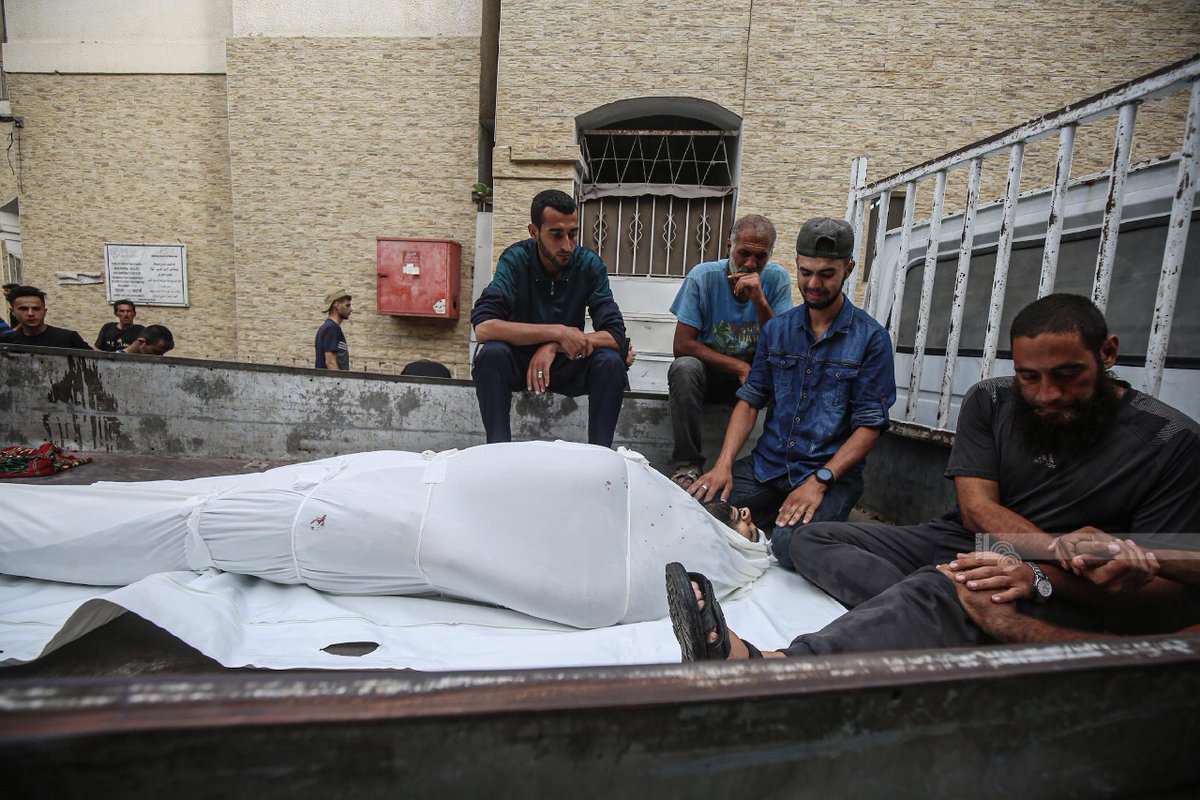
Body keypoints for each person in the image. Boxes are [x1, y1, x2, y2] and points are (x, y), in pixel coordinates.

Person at [668, 294, 1200, 660]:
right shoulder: (991, 400)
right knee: (804, 540)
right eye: (1030, 377)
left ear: (1107, 353)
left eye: (1067, 375)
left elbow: (1161, 588)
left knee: (949, 584)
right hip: (972, 540)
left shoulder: (1170, 441)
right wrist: (1055, 547)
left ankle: (768, 664)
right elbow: (977, 511)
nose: (1047, 395)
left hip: (1062, 578)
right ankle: (926, 607)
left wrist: (1044, 571)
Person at [0, 441, 769, 630]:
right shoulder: (642, 499)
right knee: (196, 513)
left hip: (386, 509)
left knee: (194, 519)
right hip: (397, 489)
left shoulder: (656, 538)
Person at [689, 217, 896, 568]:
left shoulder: (871, 339)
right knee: (695, 513)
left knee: (790, 546)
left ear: (848, 269)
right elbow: (750, 400)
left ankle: (807, 527)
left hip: (828, 476)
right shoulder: (777, 330)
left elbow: (870, 426)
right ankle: (771, 517)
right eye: (806, 272)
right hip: (767, 468)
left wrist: (820, 481)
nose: (813, 284)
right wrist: (722, 465)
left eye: (827, 274)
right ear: (797, 265)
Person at [470, 189, 628, 447]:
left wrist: (555, 345)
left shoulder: (589, 265)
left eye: (573, 234)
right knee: (491, 354)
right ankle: (497, 450)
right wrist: (557, 332)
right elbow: (485, 328)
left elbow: (615, 335)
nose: (567, 245)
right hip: (521, 363)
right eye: (556, 234)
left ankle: (601, 455)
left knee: (610, 361)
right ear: (534, 232)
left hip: (568, 361)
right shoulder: (515, 260)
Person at [667, 214, 792, 489]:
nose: (751, 264)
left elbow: (783, 345)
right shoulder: (703, 277)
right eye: (744, 253)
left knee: (788, 374)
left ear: (770, 255)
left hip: (755, 379)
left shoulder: (777, 279)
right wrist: (739, 367)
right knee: (684, 368)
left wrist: (759, 301)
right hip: (713, 374)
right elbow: (682, 345)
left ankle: (773, 464)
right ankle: (688, 464)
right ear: (728, 247)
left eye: (760, 256)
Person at [0, 286, 92, 350]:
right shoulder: (6, 341)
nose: (30, 313)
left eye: (36, 309)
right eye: (23, 309)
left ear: (44, 311)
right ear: (13, 312)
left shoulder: (68, 338)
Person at [315, 289, 352, 370]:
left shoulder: (327, 327)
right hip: (331, 378)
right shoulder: (332, 328)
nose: (351, 309)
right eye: (347, 305)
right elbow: (330, 362)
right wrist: (338, 378)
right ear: (337, 305)